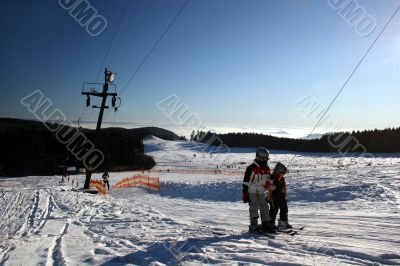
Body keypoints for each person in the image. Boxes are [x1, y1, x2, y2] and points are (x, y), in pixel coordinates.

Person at [242, 147, 276, 233]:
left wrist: (271, 183)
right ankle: (253, 225)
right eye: (263, 158)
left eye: (266, 158)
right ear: (258, 157)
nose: (265, 160)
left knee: (264, 205)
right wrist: (245, 193)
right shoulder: (251, 168)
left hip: (261, 191)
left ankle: (265, 223)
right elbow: (246, 181)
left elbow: (267, 180)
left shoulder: (266, 169)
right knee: (254, 206)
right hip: (252, 191)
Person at [269, 162, 292, 229]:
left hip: (282, 196)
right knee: (274, 210)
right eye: (282, 173)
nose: (284, 174)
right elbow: (272, 186)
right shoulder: (272, 178)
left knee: (285, 209)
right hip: (274, 197)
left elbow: (284, 188)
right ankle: (270, 223)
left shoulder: (282, 179)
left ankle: (283, 222)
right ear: (278, 171)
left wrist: (285, 195)